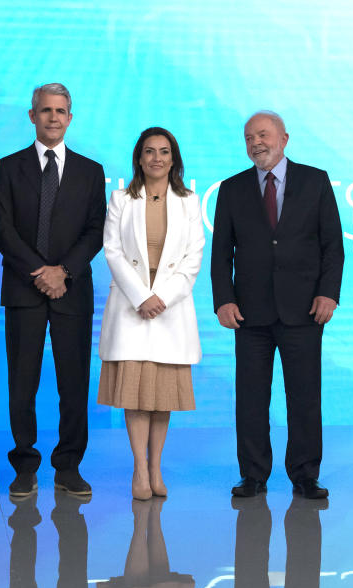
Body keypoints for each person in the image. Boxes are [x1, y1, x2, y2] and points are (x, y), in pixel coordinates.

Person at [211, 111, 344, 499]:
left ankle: (305, 475)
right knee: (251, 398)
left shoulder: (315, 181)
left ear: (284, 138)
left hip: (304, 310)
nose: (257, 143)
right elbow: (222, 254)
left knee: (304, 396)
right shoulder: (232, 189)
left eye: (264, 135)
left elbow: (332, 245)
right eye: (250, 137)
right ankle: (253, 474)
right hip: (249, 313)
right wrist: (223, 300)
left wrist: (328, 293)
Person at [0, 83, 106, 498]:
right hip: (24, 290)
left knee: (73, 383)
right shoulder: (8, 167)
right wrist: (40, 271)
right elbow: (2, 229)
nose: (53, 117)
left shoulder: (91, 171)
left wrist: (64, 272)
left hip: (72, 292)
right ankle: (24, 464)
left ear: (70, 118)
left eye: (60, 111)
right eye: (45, 110)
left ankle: (68, 465)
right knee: (22, 383)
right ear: (32, 116)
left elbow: (96, 231)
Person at [97, 127, 205, 500]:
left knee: (161, 398)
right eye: (149, 152)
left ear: (173, 159)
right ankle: (139, 471)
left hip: (170, 309)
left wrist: (163, 297)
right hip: (132, 308)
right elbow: (111, 251)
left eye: (164, 152)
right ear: (139, 159)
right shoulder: (120, 199)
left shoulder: (189, 201)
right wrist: (142, 296)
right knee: (136, 395)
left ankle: (156, 467)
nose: (156, 158)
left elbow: (193, 258)